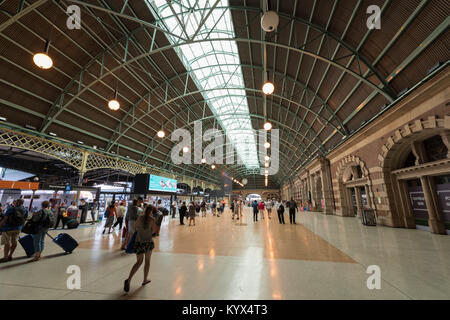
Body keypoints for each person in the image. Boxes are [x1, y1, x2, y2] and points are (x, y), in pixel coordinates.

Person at [124, 205, 156, 292]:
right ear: (151, 212)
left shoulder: (140, 218)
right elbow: (154, 231)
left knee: (138, 262)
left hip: (139, 242)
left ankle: (129, 279)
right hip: (148, 243)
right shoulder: (152, 220)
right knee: (147, 261)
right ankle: (145, 279)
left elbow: (135, 228)